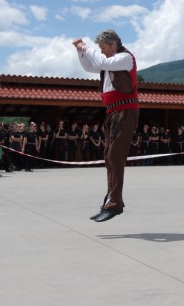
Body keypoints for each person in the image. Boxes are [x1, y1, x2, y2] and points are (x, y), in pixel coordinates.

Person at [73, 29, 139, 223]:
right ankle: (111, 200)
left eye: (103, 47)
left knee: (115, 156)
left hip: (125, 111)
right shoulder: (109, 63)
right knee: (109, 157)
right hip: (112, 111)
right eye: (99, 48)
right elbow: (89, 66)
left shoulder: (125, 58)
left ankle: (115, 203)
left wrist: (86, 47)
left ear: (114, 44)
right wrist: (80, 52)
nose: (101, 52)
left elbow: (101, 62)